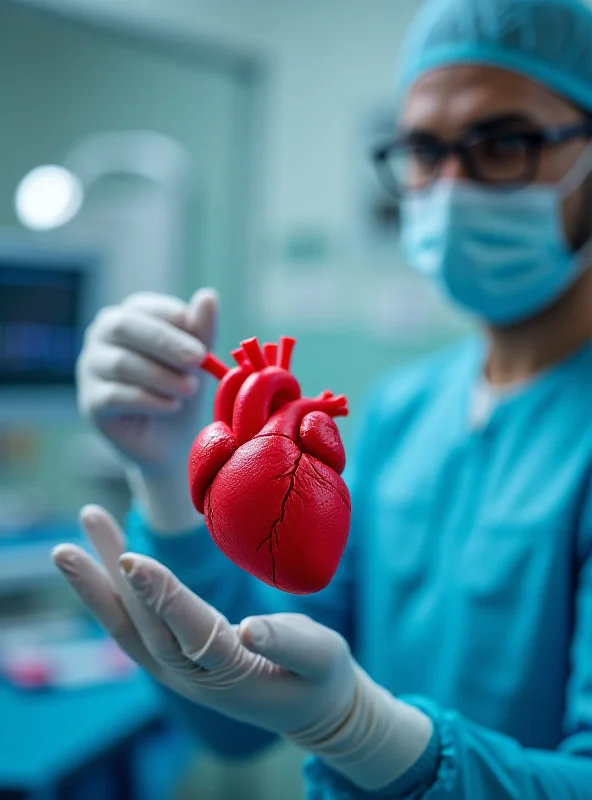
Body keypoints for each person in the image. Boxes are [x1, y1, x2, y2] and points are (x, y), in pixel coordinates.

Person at [53, 0, 592, 796]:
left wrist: (370, 735)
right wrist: (171, 480)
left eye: (501, 142)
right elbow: (239, 716)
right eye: (420, 150)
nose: (448, 186)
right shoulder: (404, 411)